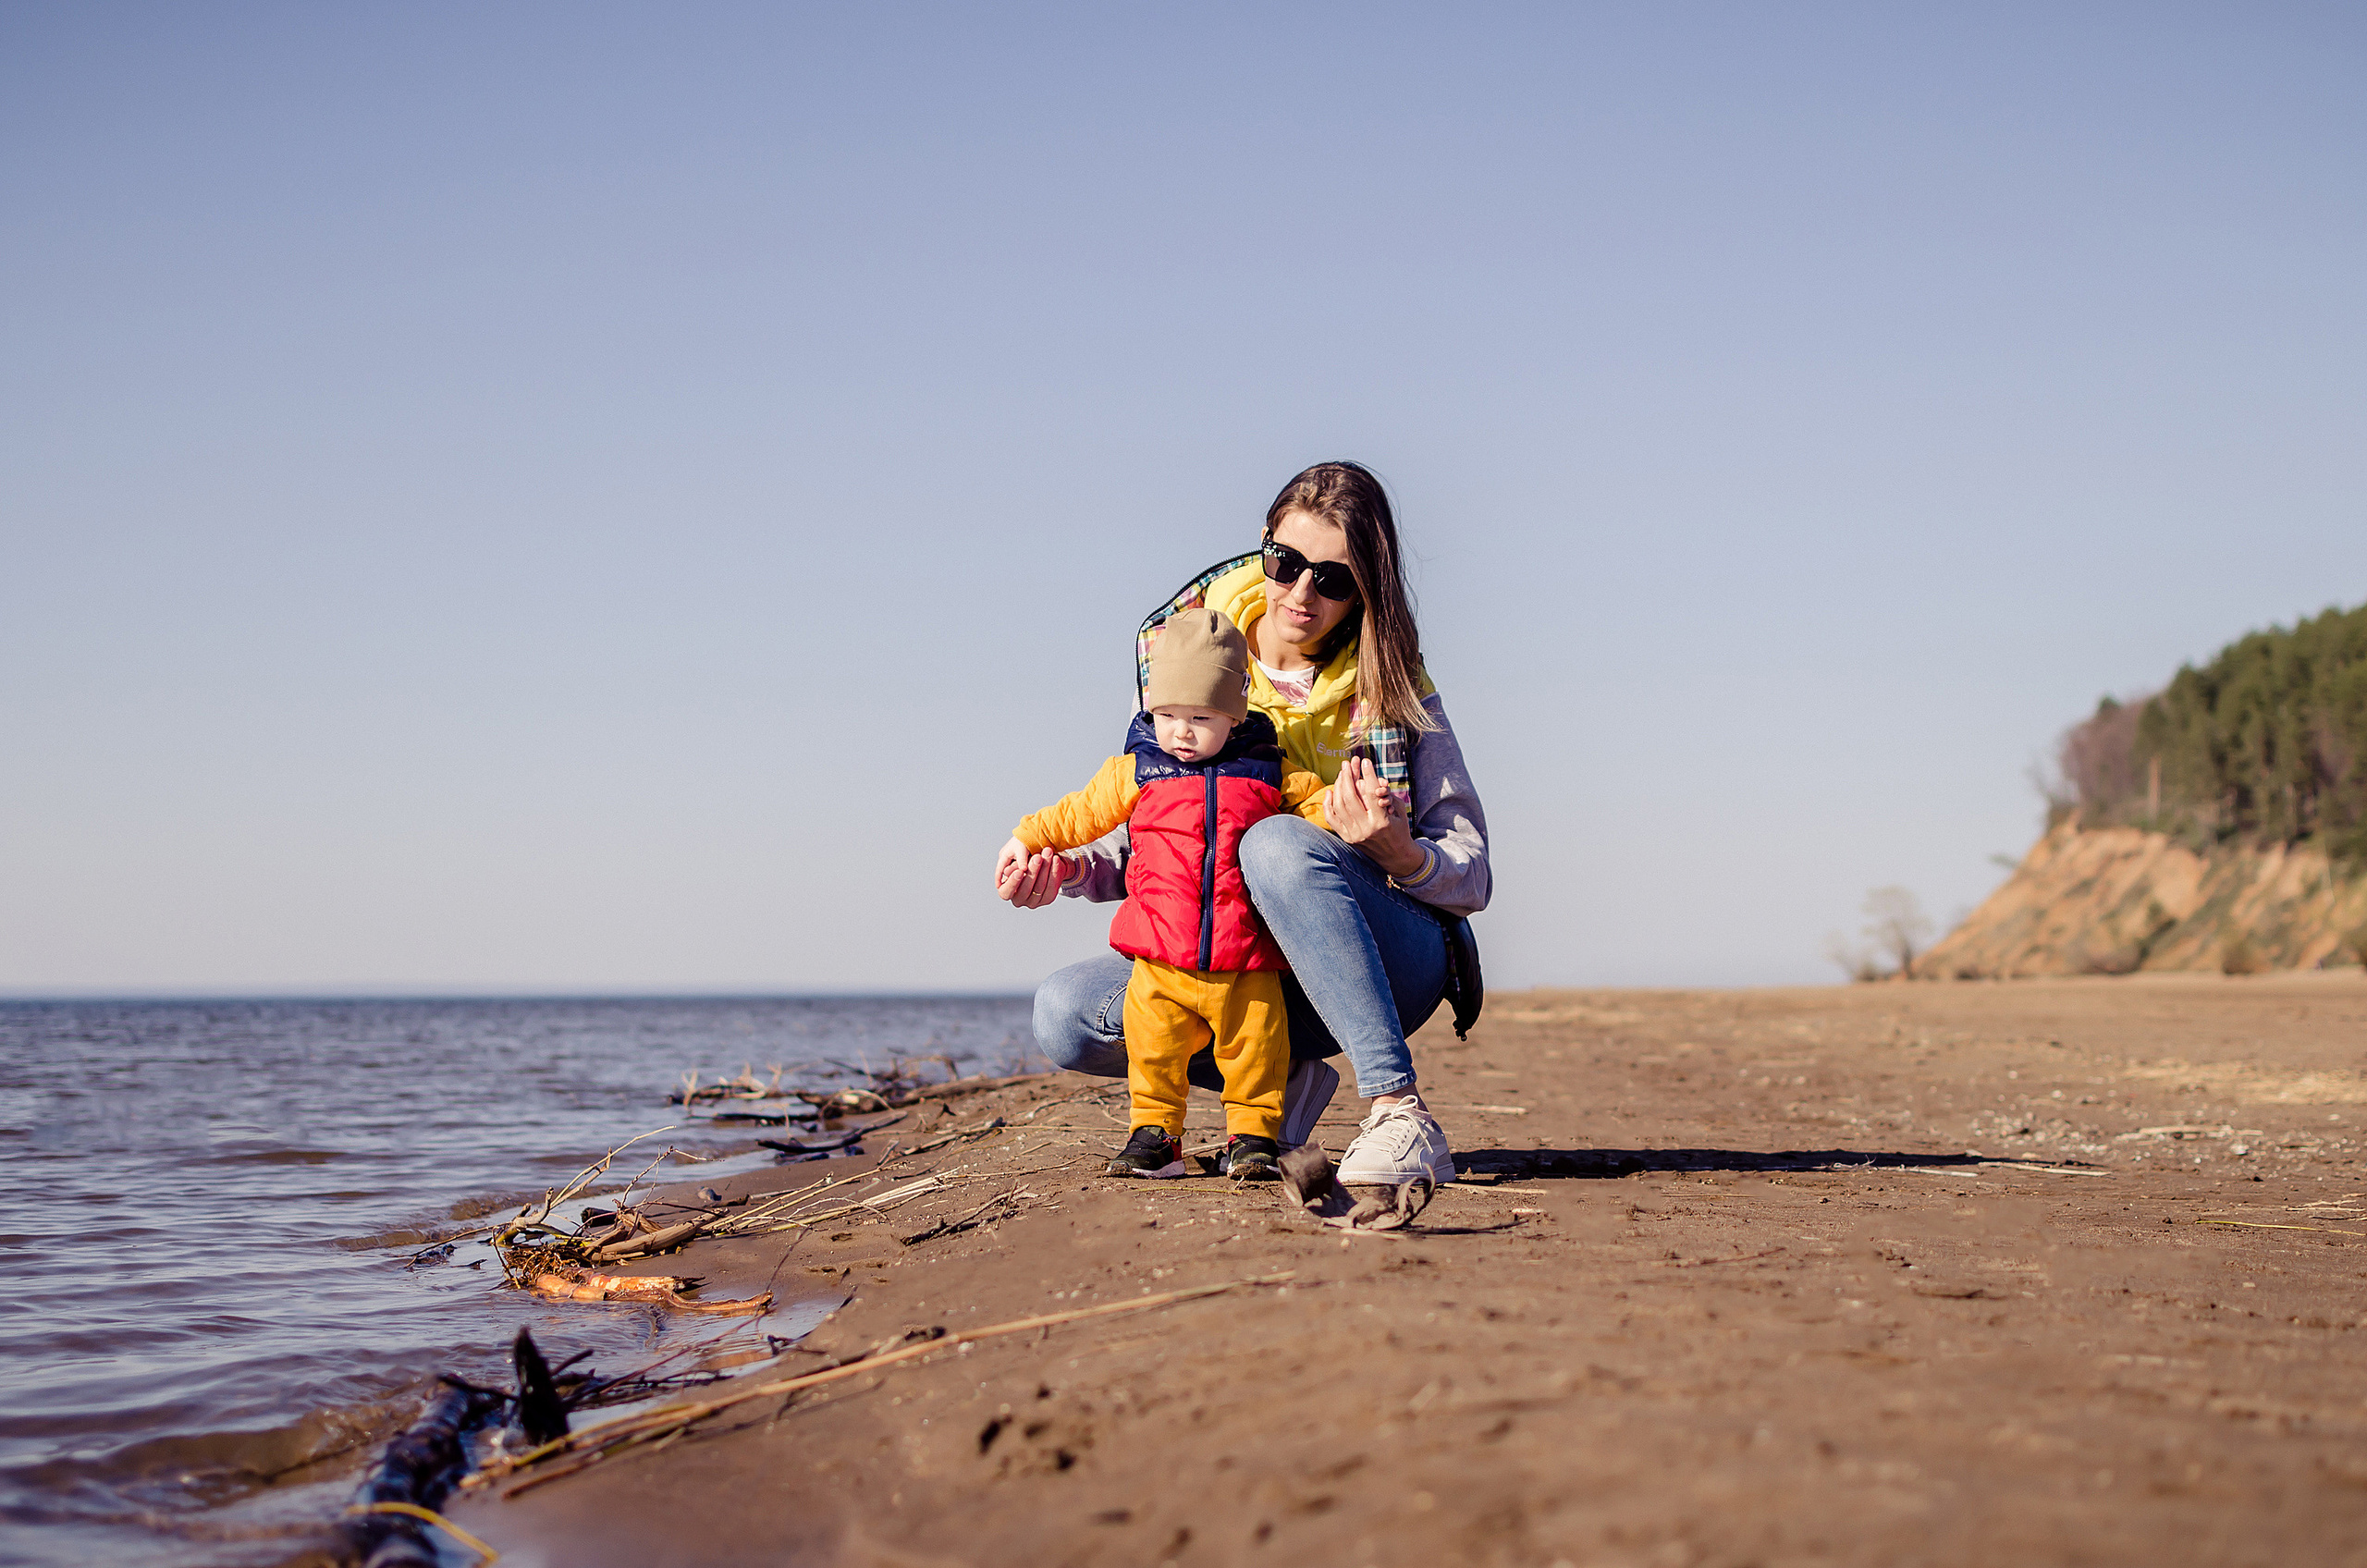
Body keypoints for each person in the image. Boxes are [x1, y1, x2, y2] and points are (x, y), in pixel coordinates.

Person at [1002, 462, 1490, 1188]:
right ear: (1263, 546)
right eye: (1286, 563)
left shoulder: (1394, 685)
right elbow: (1168, 845)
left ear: (1368, 587)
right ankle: (1273, 1086)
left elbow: (1472, 872)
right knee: (1065, 1012)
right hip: (1240, 971)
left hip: (1389, 962)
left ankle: (1398, 1110)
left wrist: (1400, 853)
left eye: (1333, 578)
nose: (1301, 592)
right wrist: (1072, 871)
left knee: (1276, 843)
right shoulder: (1189, 658)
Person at [995, 609, 1331, 1181]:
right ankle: (1156, 1136)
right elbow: (1079, 813)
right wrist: (1027, 836)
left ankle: (1253, 1138)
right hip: (1157, 956)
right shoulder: (1138, 770)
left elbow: (1321, 809)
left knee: (1256, 1051)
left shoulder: (1269, 773)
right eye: (1168, 714)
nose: (1181, 730)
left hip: (1244, 957)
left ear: (1236, 712)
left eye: (1201, 716)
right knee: (1153, 1051)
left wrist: (1359, 816)